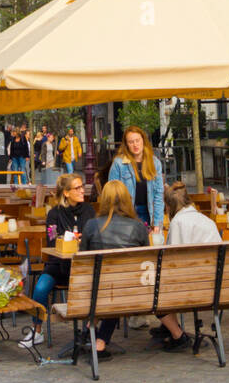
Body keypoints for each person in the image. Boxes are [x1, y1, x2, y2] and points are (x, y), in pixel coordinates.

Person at [18, 173, 96, 351]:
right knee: (40, 288)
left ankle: (88, 331)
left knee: (92, 288)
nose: (83, 190)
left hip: (82, 266)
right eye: (78, 188)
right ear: (67, 193)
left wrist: (76, 240)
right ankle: (36, 330)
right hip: (57, 266)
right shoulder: (54, 214)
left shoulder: (89, 210)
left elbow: (92, 236)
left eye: (82, 187)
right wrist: (72, 240)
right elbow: (52, 241)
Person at [79, 180, 149, 359]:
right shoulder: (138, 227)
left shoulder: (92, 225)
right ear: (127, 199)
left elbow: (83, 261)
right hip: (129, 289)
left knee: (106, 288)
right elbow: (146, 261)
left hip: (97, 290)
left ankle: (92, 335)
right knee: (115, 289)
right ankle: (99, 340)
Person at [153, 183, 222, 351]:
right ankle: (168, 326)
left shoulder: (178, 222)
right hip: (214, 286)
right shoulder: (207, 221)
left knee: (155, 290)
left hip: (192, 286)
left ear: (169, 206)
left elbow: (172, 262)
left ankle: (177, 334)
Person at [108, 126, 164, 231]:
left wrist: (157, 223)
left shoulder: (155, 163)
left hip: (148, 213)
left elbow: (158, 195)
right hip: (126, 214)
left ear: (143, 140)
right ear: (126, 145)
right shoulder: (118, 163)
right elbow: (111, 194)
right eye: (131, 142)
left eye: (137, 140)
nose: (135, 145)